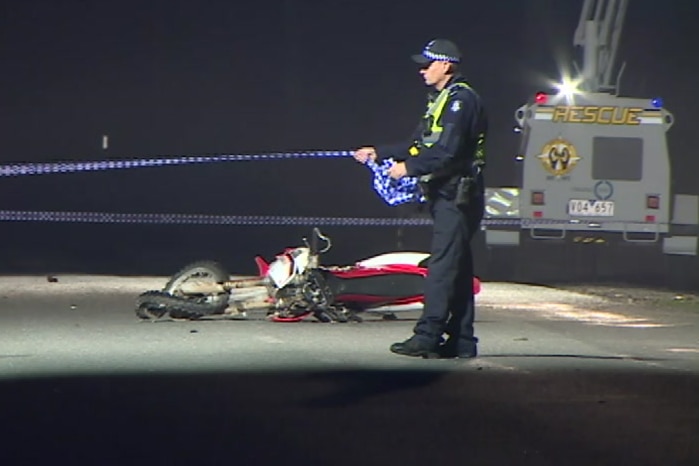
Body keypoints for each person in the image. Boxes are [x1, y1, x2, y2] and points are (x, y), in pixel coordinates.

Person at [353, 38, 488, 359]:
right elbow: (418, 143)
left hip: (458, 197)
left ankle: (427, 336)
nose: (422, 70)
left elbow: (446, 152)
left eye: (427, 64)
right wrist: (380, 152)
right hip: (447, 195)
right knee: (456, 268)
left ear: (446, 65)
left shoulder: (461, 102)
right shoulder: (440, 100)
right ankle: (462, 340)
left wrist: (407, 169)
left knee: (441, 268)